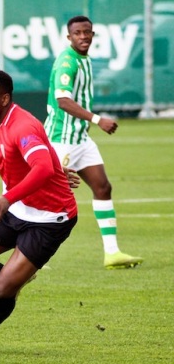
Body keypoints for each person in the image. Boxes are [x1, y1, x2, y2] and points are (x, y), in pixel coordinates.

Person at [0, 70, 79, 355]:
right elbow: (40, 157)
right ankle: (18, 276)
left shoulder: (21, 125)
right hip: (17, 208)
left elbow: (42, 167)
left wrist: (7, 198)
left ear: (4, 99)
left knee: (1, 290)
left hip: (50, 218)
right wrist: (59, 171)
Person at [44, 16, 142, 270]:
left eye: (87, 33)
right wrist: (97, 119)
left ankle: (112, 253)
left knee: (103, 187)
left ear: (93, 34)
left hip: (80, 139)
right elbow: (63, 100)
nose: (83, 37)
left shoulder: (85, 60)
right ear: (69, 37)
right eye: (77, 33)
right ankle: (27, 254)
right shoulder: (67, 62)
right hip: (60, 140)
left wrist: (88, 124)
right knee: (46, 198)